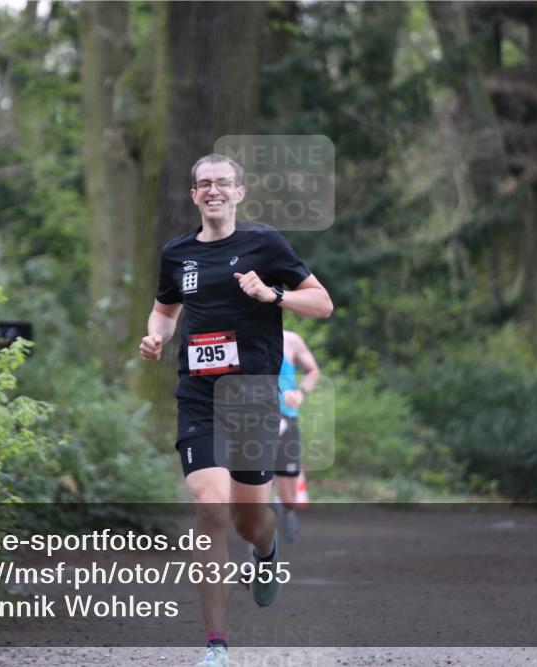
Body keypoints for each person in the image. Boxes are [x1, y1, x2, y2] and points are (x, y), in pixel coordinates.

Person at [140, 154, 332, 667]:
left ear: (239, 192)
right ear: (194, 195)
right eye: (204, 184)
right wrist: (155, 338)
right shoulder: (177, 253)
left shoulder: (264, 244)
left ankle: (266, 552)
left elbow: (323, 303)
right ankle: (216, 645)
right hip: (200, 396)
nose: (213, 191)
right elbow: (164, 311)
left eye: (222, 183)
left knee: (252, 522)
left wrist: (273, 295)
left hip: (252, 397)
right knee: (210, 505)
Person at [274, 329, 321, 543]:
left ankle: (284, 509)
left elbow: (313, 370)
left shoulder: (291, 340)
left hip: (287, 416)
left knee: (289, 498)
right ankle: (261, 536)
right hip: (253, 418)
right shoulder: (241, 334)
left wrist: (300, 393)